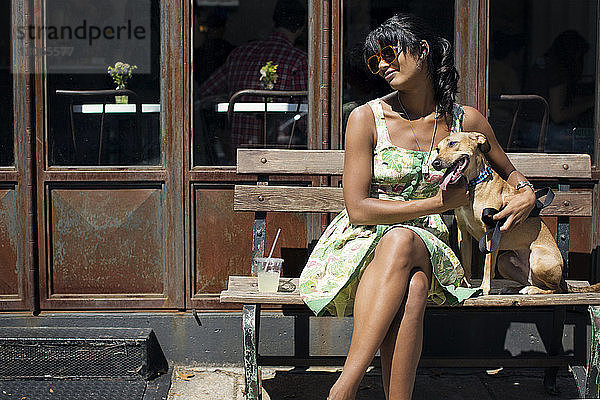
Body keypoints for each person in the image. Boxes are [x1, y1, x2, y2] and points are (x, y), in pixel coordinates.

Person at [298, 14, 537, 400]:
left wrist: (526, 192)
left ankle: (344, 388)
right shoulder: (365, 118)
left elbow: (511, 173)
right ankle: (365, 391)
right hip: (362, 241)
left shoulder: (465, 120)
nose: (383, 66)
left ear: (422, 50)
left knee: (406, 242)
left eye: (390, 53)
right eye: (375, 61)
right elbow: (357, 209)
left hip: (433, 244)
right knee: (414, 284)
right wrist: (436, 202)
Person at [198, 0, 308, 152]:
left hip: (237, 154)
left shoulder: (239, 54)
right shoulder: (299, 60)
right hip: (278, 154)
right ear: (301, 27)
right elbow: (305, 117)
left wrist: (230, 98)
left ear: (274, 21)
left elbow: (204, 93)